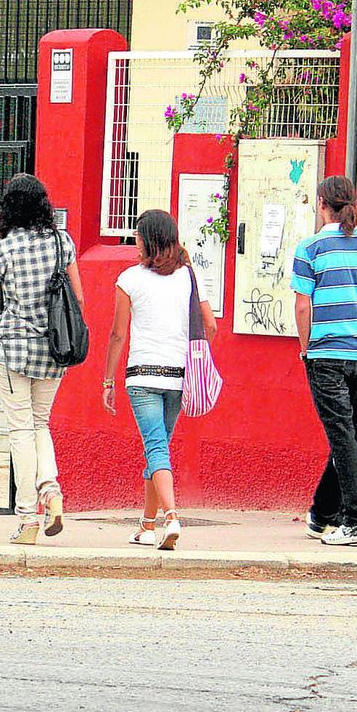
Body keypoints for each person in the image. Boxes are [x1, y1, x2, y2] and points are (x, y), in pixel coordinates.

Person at [0, 174, 86, 546]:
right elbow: (78, 298)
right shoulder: (62, 243)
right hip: (53, 350)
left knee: (20, 431)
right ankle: (51, 491)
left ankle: (28, 517)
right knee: (40, 424)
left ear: (8, 208)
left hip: (14, 350)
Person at [291, 175, 357, 547]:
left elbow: (303, 305)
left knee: (342, 436)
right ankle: (323, 514)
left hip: (325, 354)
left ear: (322, 203)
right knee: (348, 436)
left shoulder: (310, 249)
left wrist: (306, 348)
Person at [100, 210, 218, 550]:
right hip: (178, 378)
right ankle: (147, 525)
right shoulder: (190, 277)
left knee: (155, 446)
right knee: (159, 448)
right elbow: (210, 326)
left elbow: (118, 335)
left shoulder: (129, 279)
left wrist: (108, 381)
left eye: (136, 236)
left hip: (142, 375)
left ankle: (171, 517)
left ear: (146, 240)